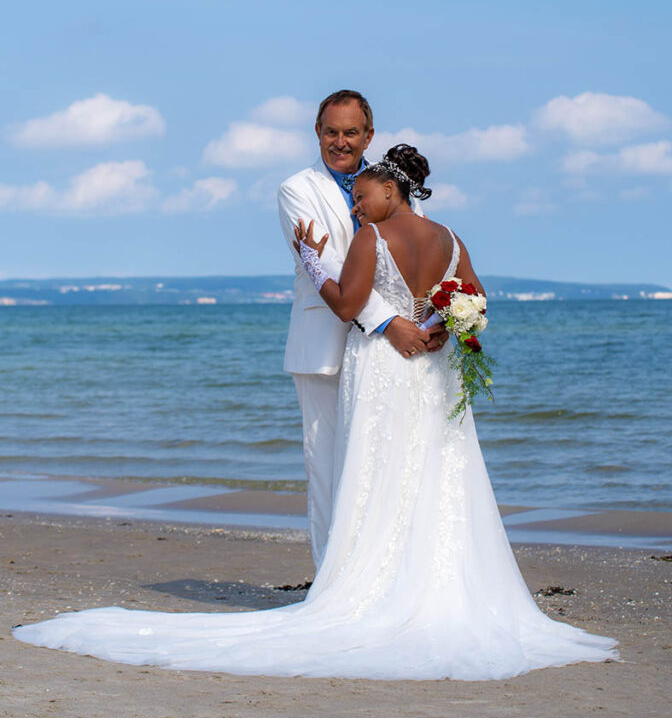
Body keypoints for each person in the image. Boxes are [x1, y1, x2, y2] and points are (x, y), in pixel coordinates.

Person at [13, 144, 618, 679]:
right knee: (439, 471)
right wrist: (439, 327)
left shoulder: (372, 237)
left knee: (376, 469)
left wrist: (313, 265)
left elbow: (349, 304)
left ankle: (375, 586)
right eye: (353, 197)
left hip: (383, 369)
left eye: (362, 194)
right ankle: (442, 585)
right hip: (434, 370)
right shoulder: (450, 236)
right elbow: (475, 299)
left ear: (390, 188)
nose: (355, 205)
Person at [277, 89, 444, 568]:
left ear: (369, 134)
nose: (340, 142)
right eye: (331, 131)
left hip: (391, 357)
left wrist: (434, 319)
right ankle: (331, 580)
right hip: (325, 347)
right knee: (328, 466)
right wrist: (390, 323)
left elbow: (418, 248)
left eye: (351, 132)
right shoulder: (297, 190)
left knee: (385, 461)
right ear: (317, 133)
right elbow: (326, 266)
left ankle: (384, 574)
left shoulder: (392, 184)